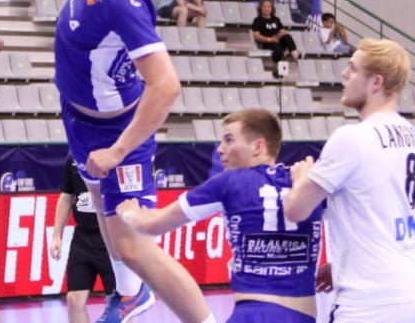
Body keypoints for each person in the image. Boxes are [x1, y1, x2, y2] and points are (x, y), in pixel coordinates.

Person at [52, 0, 264, 323]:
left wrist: (117, 151)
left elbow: (166, 86)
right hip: (81, 117)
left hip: (115, 130)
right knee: (101, 204)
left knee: (133, 244)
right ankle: (130, 296)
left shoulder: (121, 1)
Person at [283, 39, 415, 323]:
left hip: (372, 301)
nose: (344, 74)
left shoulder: (352, 139)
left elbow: (296, 210)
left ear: (376, 82)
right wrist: (345, 265)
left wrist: (301, 177)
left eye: (353, 69)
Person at [118, 109, 326, 323]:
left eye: (229, 140)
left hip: (254, 315)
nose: (220, 149)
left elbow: (152, 225)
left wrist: (128, 212)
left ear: (258, 146)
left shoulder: (230, 182)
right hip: (303, 316)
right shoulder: (309, 183)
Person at [50, 156, 116, 323]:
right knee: (74, 300)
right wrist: (57, 235)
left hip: (112, 242)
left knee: (118, 302)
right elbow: (66, 197)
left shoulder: (115, 156)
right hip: (83, 240)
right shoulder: (74, 159)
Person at [251, 0, 300, 64]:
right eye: (264, 7)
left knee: (287, 37)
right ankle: (277, 66)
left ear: (272, 8)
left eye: (268, 7)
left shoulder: (276, 19)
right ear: (260, 8)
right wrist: (270, 39)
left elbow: (282, 31)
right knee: (278, 49)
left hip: (276, 39)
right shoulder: (257, 20)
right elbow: (256, 36)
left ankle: (296, 57)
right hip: (266, 42)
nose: (266, 9)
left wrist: (278, 36)